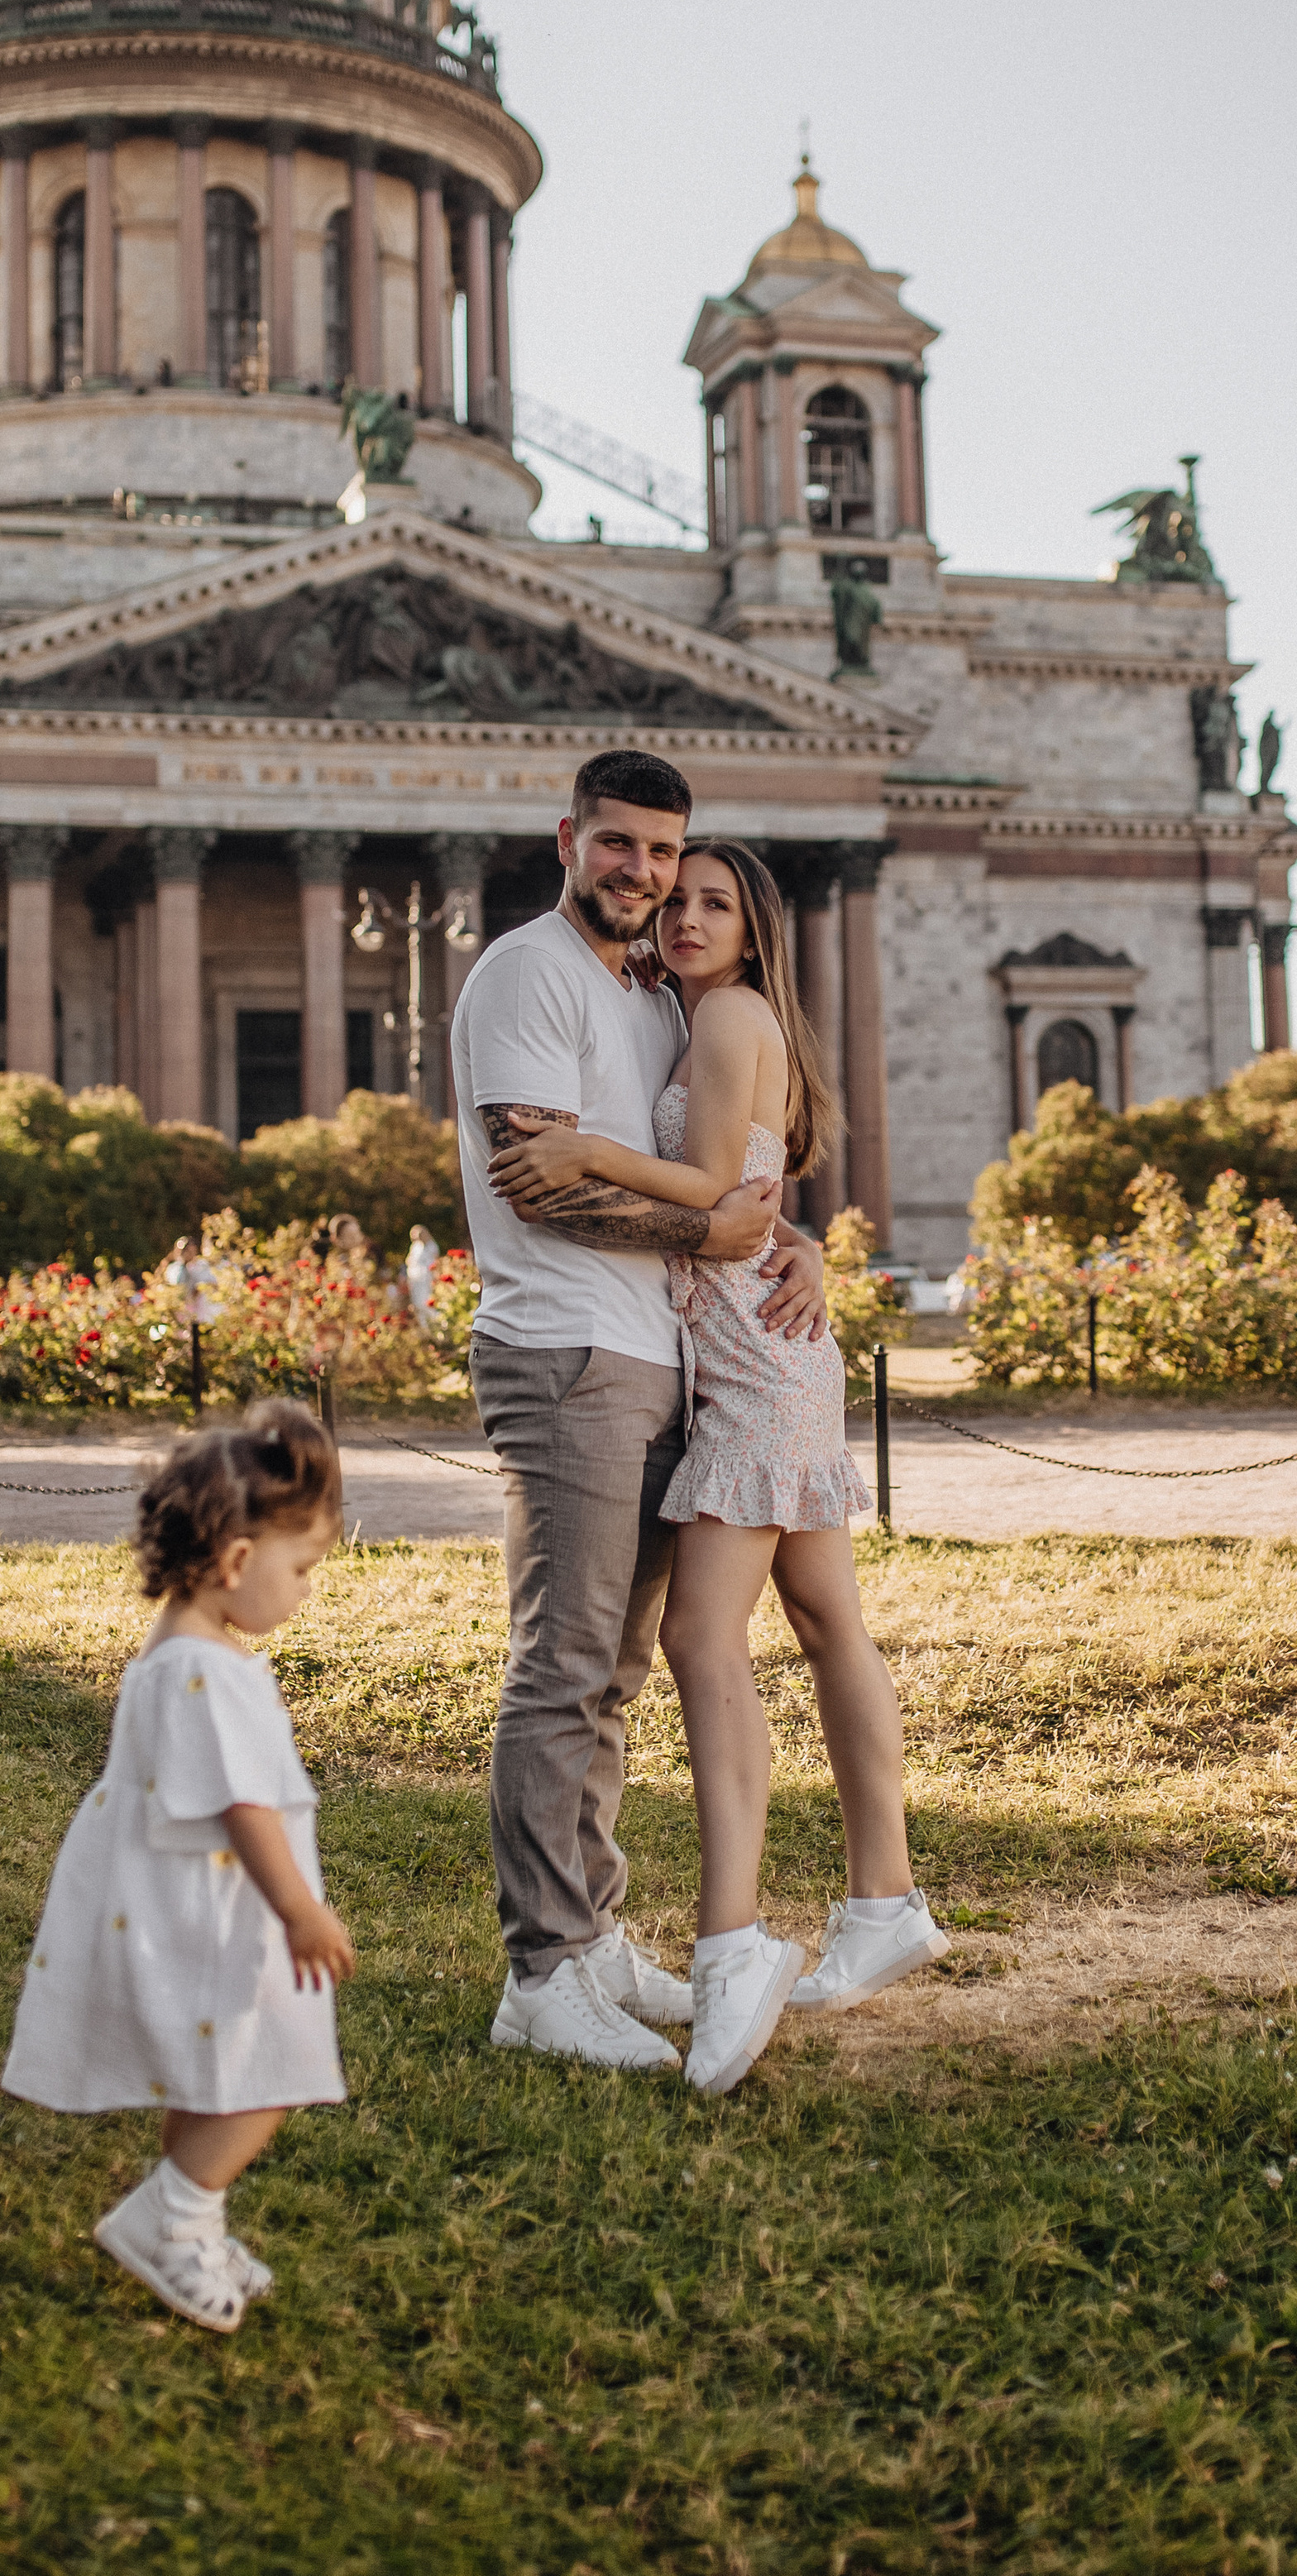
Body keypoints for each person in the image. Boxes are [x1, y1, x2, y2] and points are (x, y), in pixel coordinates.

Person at [492, 841, 946, 2093]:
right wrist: (799, 1241)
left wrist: (581, 1151)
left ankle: (734, 1936)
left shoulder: (730, 1014)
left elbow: (701, 1187)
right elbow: (744, 1196)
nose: (683, 916)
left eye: (712, 903)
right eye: (675, 899)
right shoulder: (710, 1020)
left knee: (702, 1641)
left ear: (755, 934)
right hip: (761, 1352)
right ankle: (883, 1902)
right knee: (826, 1621)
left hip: (754, 1371)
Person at [450, 746, 830, 2074]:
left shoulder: (662, 1001)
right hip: (563, 1352)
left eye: (665, 854)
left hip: (663, 1359)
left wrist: (791, 1243)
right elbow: (532, 1179)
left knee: (611, 1669)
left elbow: (728, 1174)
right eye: (618, 845)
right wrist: (716, 1232)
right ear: (568, 838)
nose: (644, 875)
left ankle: (594, 1938)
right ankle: (540, 1974)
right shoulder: (525, 973)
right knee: (562, 1666)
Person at [1, 1401, 354, 2333]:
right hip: (221, 1913)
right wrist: (298, 1911)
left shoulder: (178, 1653)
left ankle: (190, 2220)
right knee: (269, 2074)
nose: (307, 1591)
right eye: (303, 1568)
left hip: (178, 1902)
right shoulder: (207, 1672)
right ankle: (171, 2216)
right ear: (238, 1562)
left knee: (212, 2076)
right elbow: (244, 1806)